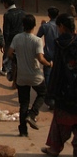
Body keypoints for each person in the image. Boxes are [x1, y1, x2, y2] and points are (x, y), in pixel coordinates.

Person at [7, 14, 51, 137]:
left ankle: (22, 130)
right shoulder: (37, 40)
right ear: (34, 26)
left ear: (23, 25)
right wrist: (49, 64)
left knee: (24, 103)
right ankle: (32, 114)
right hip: (35, 74)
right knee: (43, 93)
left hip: (21, 75)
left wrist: (17, 59)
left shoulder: (17, 38)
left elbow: (10, 53)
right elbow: (40, 59)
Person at [41, 14, 77, 156]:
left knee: (59, 123)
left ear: (62, 26)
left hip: (65, 93)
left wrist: (50, 92)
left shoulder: (60, 44)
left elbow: (56, 71)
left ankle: (55, 148)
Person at [37, 6, 60, 108]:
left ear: (49, 15)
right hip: (59, 54)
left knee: (48, 76)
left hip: (48, 55)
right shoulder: (61, 26)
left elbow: (37, 38)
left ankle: (49, 99)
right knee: (58, 76)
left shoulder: (45, 27)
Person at [1, 0, 26, 73]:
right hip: (21, 36)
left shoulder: (7, 15)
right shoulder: (22, 12)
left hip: (11, 38)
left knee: (7, 53)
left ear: (6, 3)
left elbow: (6, 30)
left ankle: (5, 69)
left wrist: (4, 43)